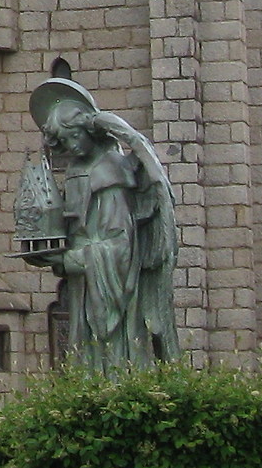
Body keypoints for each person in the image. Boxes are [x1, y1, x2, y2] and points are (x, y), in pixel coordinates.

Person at [20, 77, 177, 370]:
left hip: (108, 291)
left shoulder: (110, 175)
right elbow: (74, 230)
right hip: (85, 289)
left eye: (72, 138)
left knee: (109, 363)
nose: (69, 147)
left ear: (87, 130)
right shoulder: (79, 171)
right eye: (63, 143)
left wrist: (70, 259)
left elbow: (120, 246)